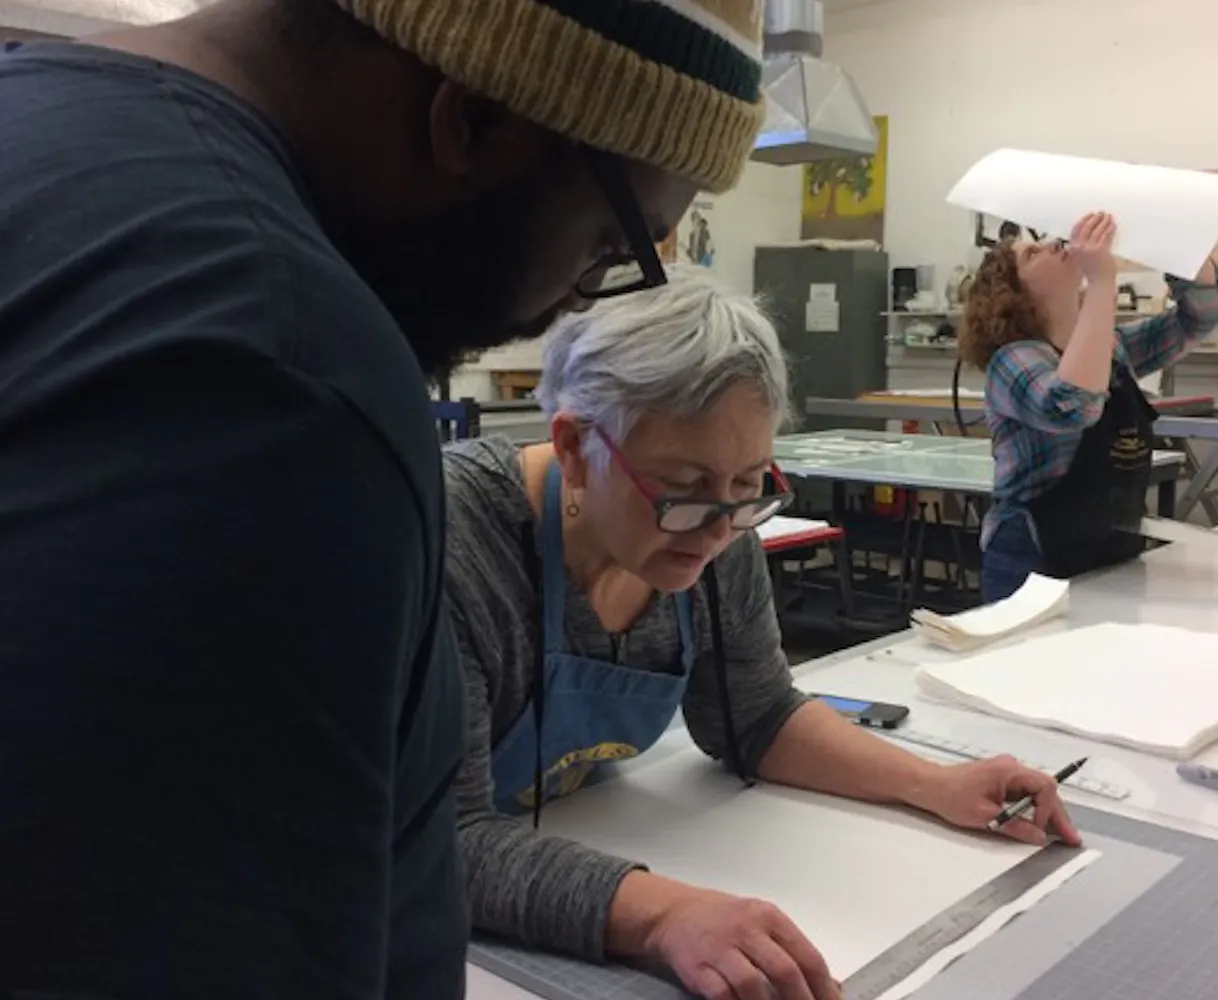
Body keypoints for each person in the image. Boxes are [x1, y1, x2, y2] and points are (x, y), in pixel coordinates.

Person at [0, 1, 767, 997]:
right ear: (476, 120)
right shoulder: (273, 373)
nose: (579, 299)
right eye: (608, 247)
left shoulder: (51, 138)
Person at [443, 265, 1082, 1000]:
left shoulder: (716, 532)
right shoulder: (449, 544)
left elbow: (757, 716)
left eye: (749, 484)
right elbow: (435, 839)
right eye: (683, 486)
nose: (720, 528)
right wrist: (666, 915)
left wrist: (935, 784)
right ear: (572, 446)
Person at [959, 212, 1218, 602]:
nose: (1054, 244)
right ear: (1012, 292)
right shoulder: (1013, 361)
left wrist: (1181, 244)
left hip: (1112, 545)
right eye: (1033, 254)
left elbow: (1202, 319)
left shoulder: (1111, 347)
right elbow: (1072, 406)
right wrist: (1103, 281)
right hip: (1033, 557)